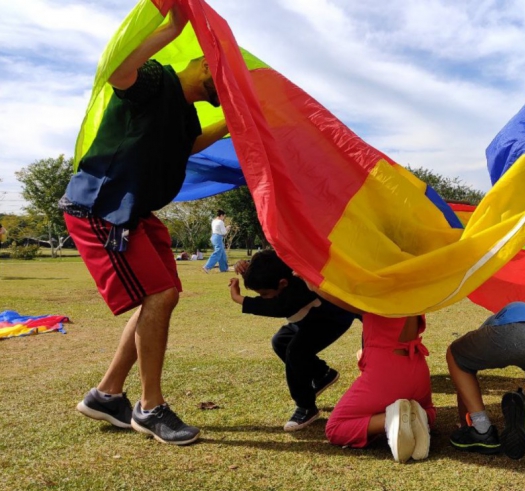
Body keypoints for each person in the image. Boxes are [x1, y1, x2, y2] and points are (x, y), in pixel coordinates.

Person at [61, 4, 229, 445]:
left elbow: (187, 144)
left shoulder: (185, 113)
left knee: (160, 298)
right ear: (204, 69)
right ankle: (150, 408)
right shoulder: (156, 79)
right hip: (102, 205)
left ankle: (106, 395)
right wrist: (173, 26)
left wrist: (233, 122)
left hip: (133, 211)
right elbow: (118, 71)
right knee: (160, 295)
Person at [299, 277, 435, 463]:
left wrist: (310, 280)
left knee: (335, 427)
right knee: (428, 411)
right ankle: (415, 415)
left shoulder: (379, 291)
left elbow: (338, 297)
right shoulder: (413, 287)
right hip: (417, 367)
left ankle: (392, 418)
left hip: (386, 373)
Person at [228, 250, 356, 430]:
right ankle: (322, 374)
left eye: (264, 293)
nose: (264, 296)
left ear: (283, 283)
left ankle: (306, 407)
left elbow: (277, 306)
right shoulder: (281, 268)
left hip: (331, 318)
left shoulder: (297, 288)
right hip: (308, 317)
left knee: (296, 352)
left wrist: (238, 298)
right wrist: (245, 268)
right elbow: (265, 265)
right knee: (280, 341)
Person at [447, 302, 525, 460]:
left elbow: (464, 367)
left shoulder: (497, 317)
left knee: (456, 354)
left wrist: (465, 423)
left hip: (510, 330)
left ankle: (481, 428)